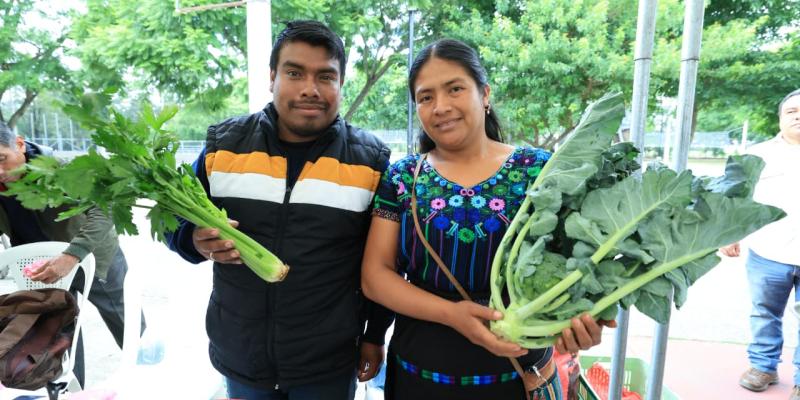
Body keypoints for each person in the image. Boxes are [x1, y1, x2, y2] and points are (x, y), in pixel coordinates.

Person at [361, 38, 612, 400]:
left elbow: (580, 267)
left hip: (519, 380)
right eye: (425, 97)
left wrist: (585, 322)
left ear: (485, 93)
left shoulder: (541, 171)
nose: (441, 106)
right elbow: (375, 276)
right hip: (419, 378)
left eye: (455, 89)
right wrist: (452, 314)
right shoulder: (403, 176)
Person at [166, 20, 393, 400]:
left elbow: (385, 263)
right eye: (294, 72)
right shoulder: (224, 148)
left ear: (340, 83)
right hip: (240, 352)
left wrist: (374, 335)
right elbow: (173, 216)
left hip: (328, 361)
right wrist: (192, 239)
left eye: (325, 76)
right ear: (272, 77)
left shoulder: (369, 163)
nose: (310, 88)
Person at [0, 121, 137, 388]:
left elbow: (105, 208)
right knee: (55, 337)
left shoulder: (62, 169)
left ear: (19, 144)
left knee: (127, 325)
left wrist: (72, 255)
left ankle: (153, 379)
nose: (0, 172)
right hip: (38, 269)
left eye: (2, 159)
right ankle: (71, 390)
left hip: (91, 258)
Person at [721, 88, 800, 399]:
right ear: (780, 118)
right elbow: (737, 197)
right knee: (764, 311)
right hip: (769, 251)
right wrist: (730, 233)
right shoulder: (758, 154)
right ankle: (763, 366)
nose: (799, 115)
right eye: (792, 111)